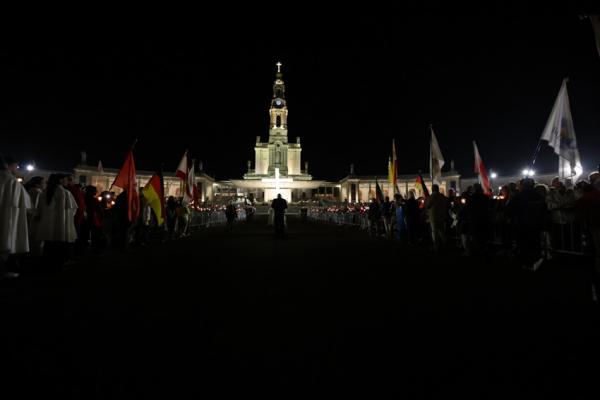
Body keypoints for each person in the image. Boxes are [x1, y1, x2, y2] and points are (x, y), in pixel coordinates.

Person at [36, 173, 78, 271]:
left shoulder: (45, 192)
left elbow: (40, 208)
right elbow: (72, 210)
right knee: (59, 244)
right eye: (66, 179)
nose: (67, 181)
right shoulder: (65, 192)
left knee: (49, 244)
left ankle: (47, 264)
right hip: (61, 224)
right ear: (60, 180)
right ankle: (58, 264)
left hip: (48, 224)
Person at [0, 154, 31, 279]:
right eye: (15, 166)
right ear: (7, 165)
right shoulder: (11, 180)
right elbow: (24, 202)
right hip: (8, 215)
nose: (17, 168)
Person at [425, 184, 448, 252]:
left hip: (433, 217)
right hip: (441, 216)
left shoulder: (431, 197)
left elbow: (427, 206)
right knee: (442, 231)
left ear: (433, 189)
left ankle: (436, 246)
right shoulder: (442, 196)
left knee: (434, 232)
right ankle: (445, 244)